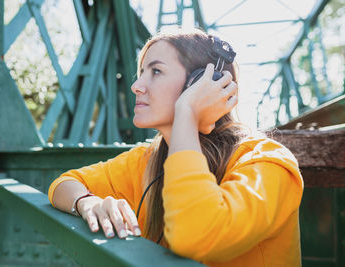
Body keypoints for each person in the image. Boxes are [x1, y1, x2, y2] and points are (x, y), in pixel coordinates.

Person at [48, 28, 303, 266]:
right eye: (141, 73)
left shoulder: (265, 162)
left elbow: (195, 235)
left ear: (199, 83)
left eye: (156, 72)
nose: (136, 86)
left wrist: (187, 111)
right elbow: (65, 183)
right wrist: (87, 203)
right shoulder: (146, 159)